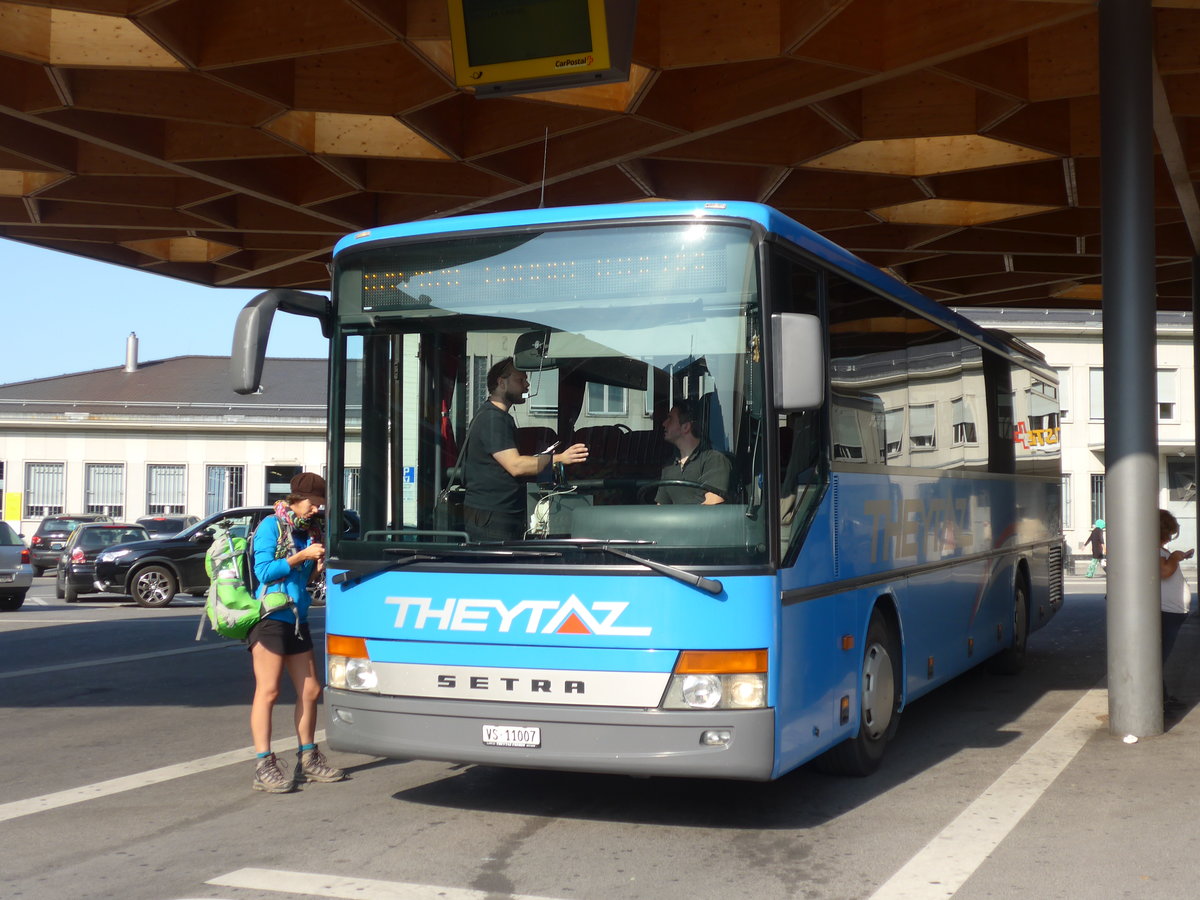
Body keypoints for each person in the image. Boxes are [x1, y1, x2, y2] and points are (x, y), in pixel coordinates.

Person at [247, 472, 346, 793]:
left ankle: (308, 758)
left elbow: (300, 581)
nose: (317, 510)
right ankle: (264, 764)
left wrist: (312, 568)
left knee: (311, 690)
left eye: (321, 505)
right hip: (271, 617)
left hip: (297, 618)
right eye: (313, 504)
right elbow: (263, 571)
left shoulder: (308, 531)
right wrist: (300, 556)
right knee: (269, 691)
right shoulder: (270, 526)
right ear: (296, 500)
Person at [462, 357, 588, 541]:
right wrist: (559, 458)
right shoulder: (493, 419)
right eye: (520, 379)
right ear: (501, 383)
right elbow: (516, 466)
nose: (527, 385)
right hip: (493, 517)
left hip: (495, 513)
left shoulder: (495, 416)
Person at [655, 398, 732, 505]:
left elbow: (712, 507)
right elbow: (660, 509)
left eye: (670, 418)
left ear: (686, 427)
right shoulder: (669, 466)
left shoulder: (714, 460)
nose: (664, 424)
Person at [1159, 508, 1194, 712]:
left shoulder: (1160, 551)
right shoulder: (1155, 552)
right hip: (1166, 613)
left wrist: (1175, 557)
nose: (1171, 536)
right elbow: (1164, 571)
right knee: (1158, 658)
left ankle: (1162, 697)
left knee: (1159, 657)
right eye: (1170, 532)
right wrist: (1174, 558)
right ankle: (1159, 699)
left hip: (1171, 612)